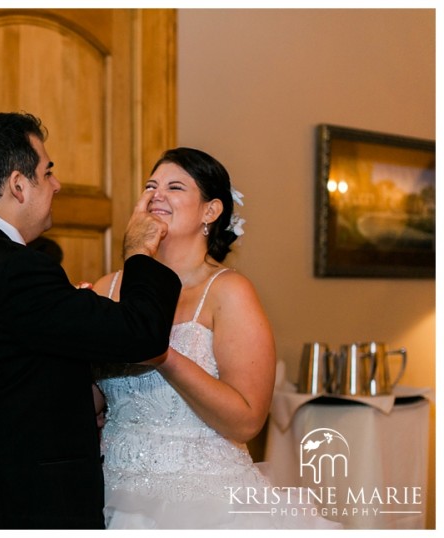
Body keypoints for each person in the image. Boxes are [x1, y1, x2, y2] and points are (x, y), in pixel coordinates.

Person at [0, 111, 181, 529]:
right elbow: (142, 334)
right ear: (19, 185)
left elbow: (9, 374)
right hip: (27, 509)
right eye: (47, 171)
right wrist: (140, 251)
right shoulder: (15, 269)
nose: (56, 184)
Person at [92, 148, 340, 529]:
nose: (157, 195)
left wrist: (165, 357)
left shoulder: (228, 292)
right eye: (150, 186)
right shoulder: (108, 288)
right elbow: (93, 399)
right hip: (111, 493)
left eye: (175, 187)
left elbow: (245, 421)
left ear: (210, 211)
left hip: (205, 503)